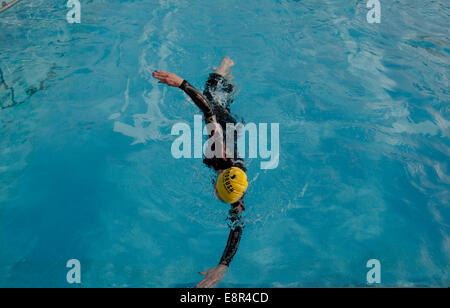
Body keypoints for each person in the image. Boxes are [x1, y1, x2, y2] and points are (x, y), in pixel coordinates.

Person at [152, 56, 248, 288]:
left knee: (224, 101)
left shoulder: (237, 191)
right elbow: (206, 109)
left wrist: (223, 265)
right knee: (213, 95)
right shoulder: (219, 153)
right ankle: (226, 66)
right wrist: (181, 83)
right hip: (224, 126)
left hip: (234, 135)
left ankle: (229, 83)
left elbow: (237, 226)